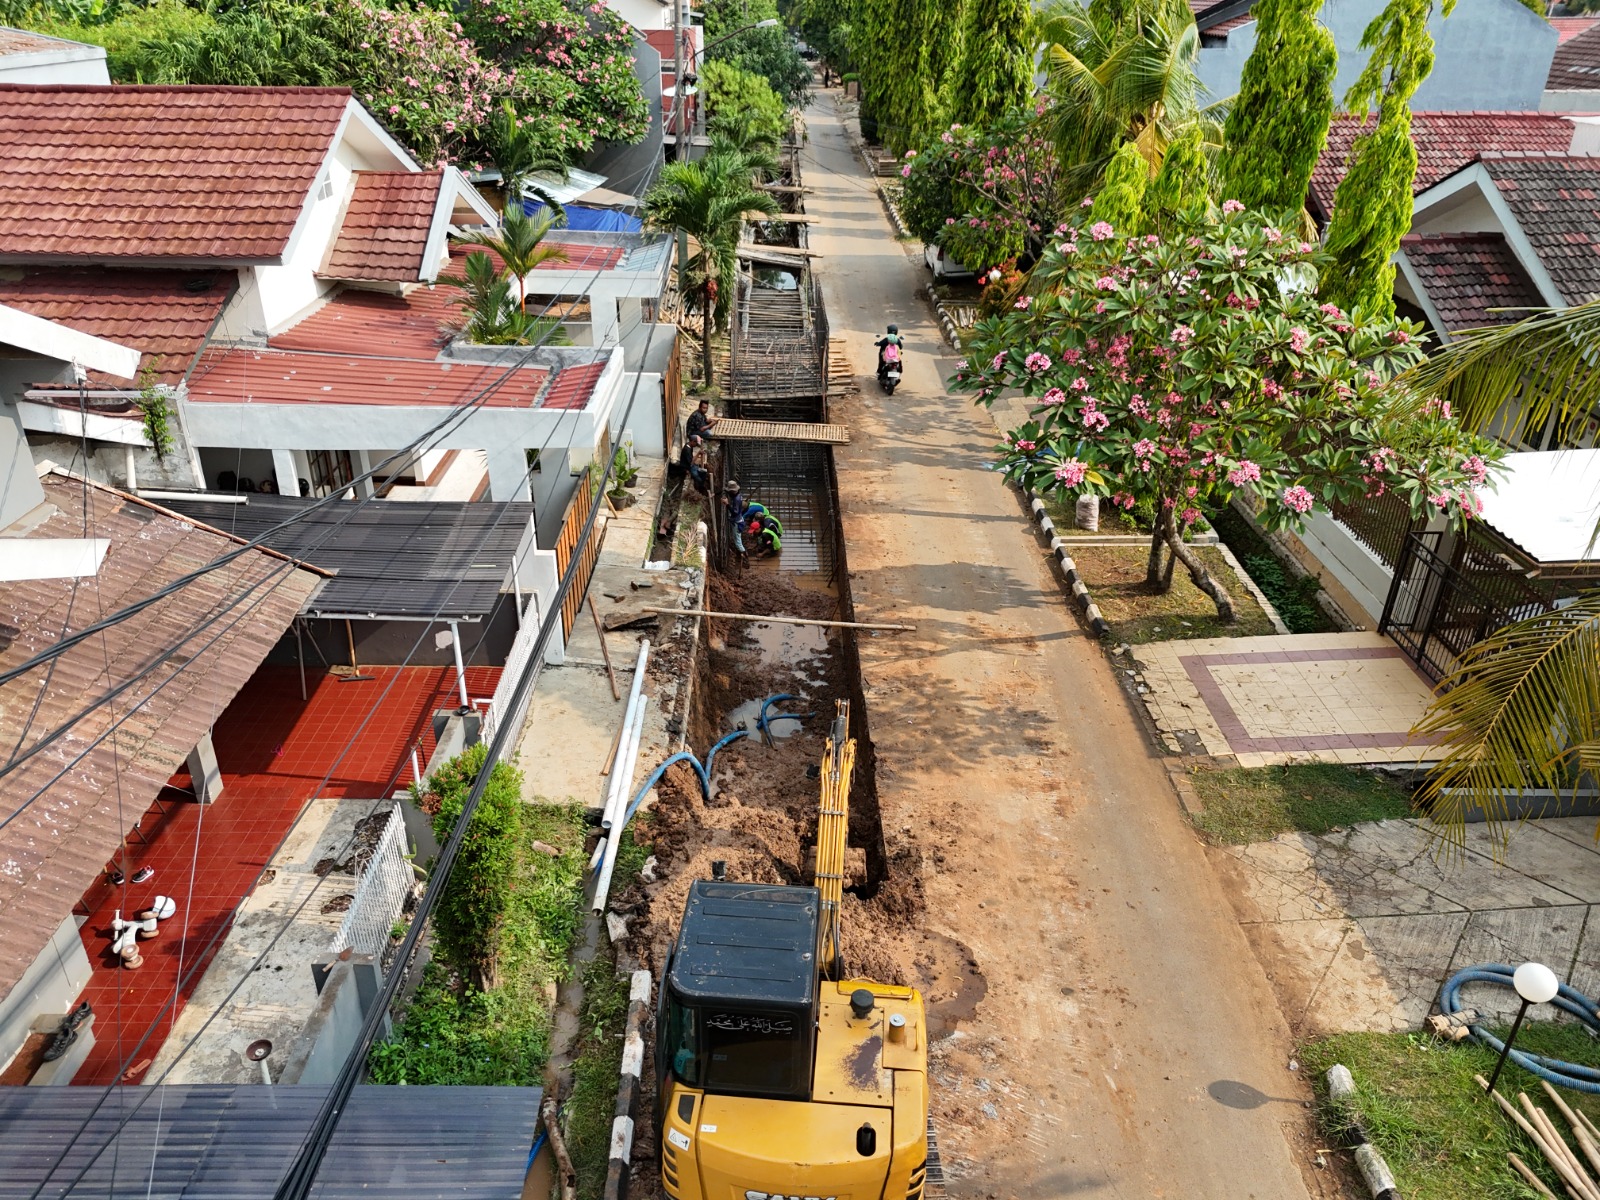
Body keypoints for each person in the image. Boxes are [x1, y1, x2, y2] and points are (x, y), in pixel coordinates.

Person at [723, 479, 750, 564]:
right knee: (738, 539)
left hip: (737, 522)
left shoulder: (736, 500)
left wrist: (727, 504)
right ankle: (741, 552)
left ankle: (744, 557)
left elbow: (734, 513)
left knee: (737, 541)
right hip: (739, 520)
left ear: (732, 492)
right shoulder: (737, 495)